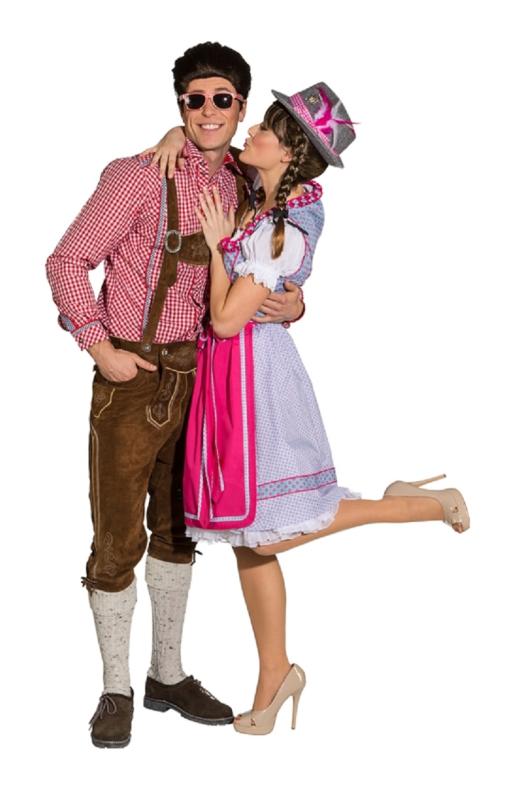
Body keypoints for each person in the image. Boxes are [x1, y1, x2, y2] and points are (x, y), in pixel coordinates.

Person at [149, 82, 471, 736]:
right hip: (228, 377)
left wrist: (220, 248)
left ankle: (421, 505)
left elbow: (225, 318)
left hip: (257, 383)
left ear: (289, 154)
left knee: (270, 530)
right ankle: (275, 674)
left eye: (266, 130)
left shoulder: (282, 231)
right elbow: (207, 142)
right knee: (249, 539)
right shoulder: (260, 193)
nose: (249, 133)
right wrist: (174, 134)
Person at [45, 41, 305, 749]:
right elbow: (67, 260)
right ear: (180, 105)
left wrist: (295, 304)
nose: (208, 111)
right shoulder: (138, 174)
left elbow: (271, 267)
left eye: (223, 99)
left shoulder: (248, 184)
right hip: (134, 380)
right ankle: (116, 688)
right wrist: (99, 347)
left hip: (207, 379)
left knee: (180, 532)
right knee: (116, 540)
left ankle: (166, 674)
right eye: (195, 100)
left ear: (242, 108)